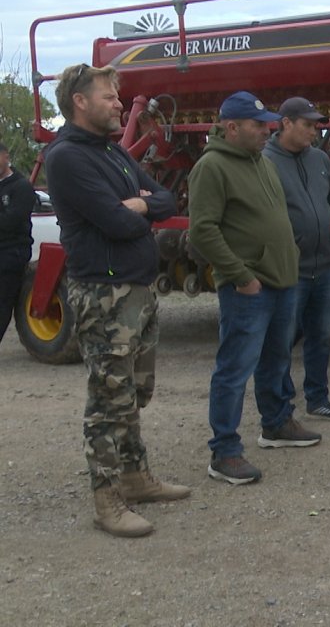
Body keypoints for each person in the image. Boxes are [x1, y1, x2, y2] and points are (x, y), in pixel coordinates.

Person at [46, 64, 189, 538]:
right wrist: (140, 206)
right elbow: (117, 222)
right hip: (104, 294)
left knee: (135, 393)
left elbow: (167, 199)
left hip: (138, 288)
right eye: (108, 97)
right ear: (79, 102)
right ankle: (106, 500)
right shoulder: (66, 157)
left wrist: (143, 203)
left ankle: (135, 477)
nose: (120, 105)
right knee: (109, 399)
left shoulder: (111, 151)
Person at [188, 91, 321, 486]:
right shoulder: (211, 167)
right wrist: (241, 275)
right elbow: (203, 230)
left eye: (268, 123)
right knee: (234, 368)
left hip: (281, 281)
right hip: (248, 287)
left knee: (275, 359)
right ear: (231, 127)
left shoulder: (260, 161)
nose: (267, 129)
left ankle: (276, 424)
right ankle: (224, 451)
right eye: (257, 124)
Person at [264, 97, 330, 422]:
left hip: (324, 266)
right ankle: (281, 409)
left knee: (321, 336)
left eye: (316, 126)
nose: (314, 132)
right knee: (282, 341)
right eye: (308, 125)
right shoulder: (265, 162)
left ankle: (318, 399)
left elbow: (328, 202)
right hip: (290, 270)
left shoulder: (321, 160)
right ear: (285, 123)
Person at [0, 141, 34, 344]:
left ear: (5, 156)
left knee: (3, 301)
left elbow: (12, 221)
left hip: (12, 252)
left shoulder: (21, 187)